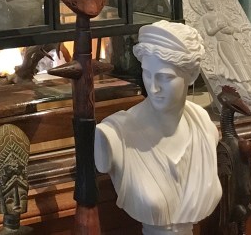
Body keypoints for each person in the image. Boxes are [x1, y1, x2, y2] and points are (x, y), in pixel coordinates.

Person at [95, 21, 221, 234]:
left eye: (165, 77)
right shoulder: (114, 135)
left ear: (192, 75)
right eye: (147, 74)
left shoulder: (203, 125)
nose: (152, 88)